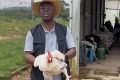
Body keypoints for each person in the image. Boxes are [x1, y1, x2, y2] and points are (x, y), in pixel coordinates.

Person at [24, 0, 76, 80]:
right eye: (42, 8)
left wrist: (63, 57)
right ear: (40, 11)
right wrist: (41, 63)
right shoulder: (32, 33)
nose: (46, 10)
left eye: (49, 8)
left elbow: (73, 50)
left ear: (54, 10)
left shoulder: (65, 30)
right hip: (39, 77)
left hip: (60, 76)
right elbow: (27, 55)